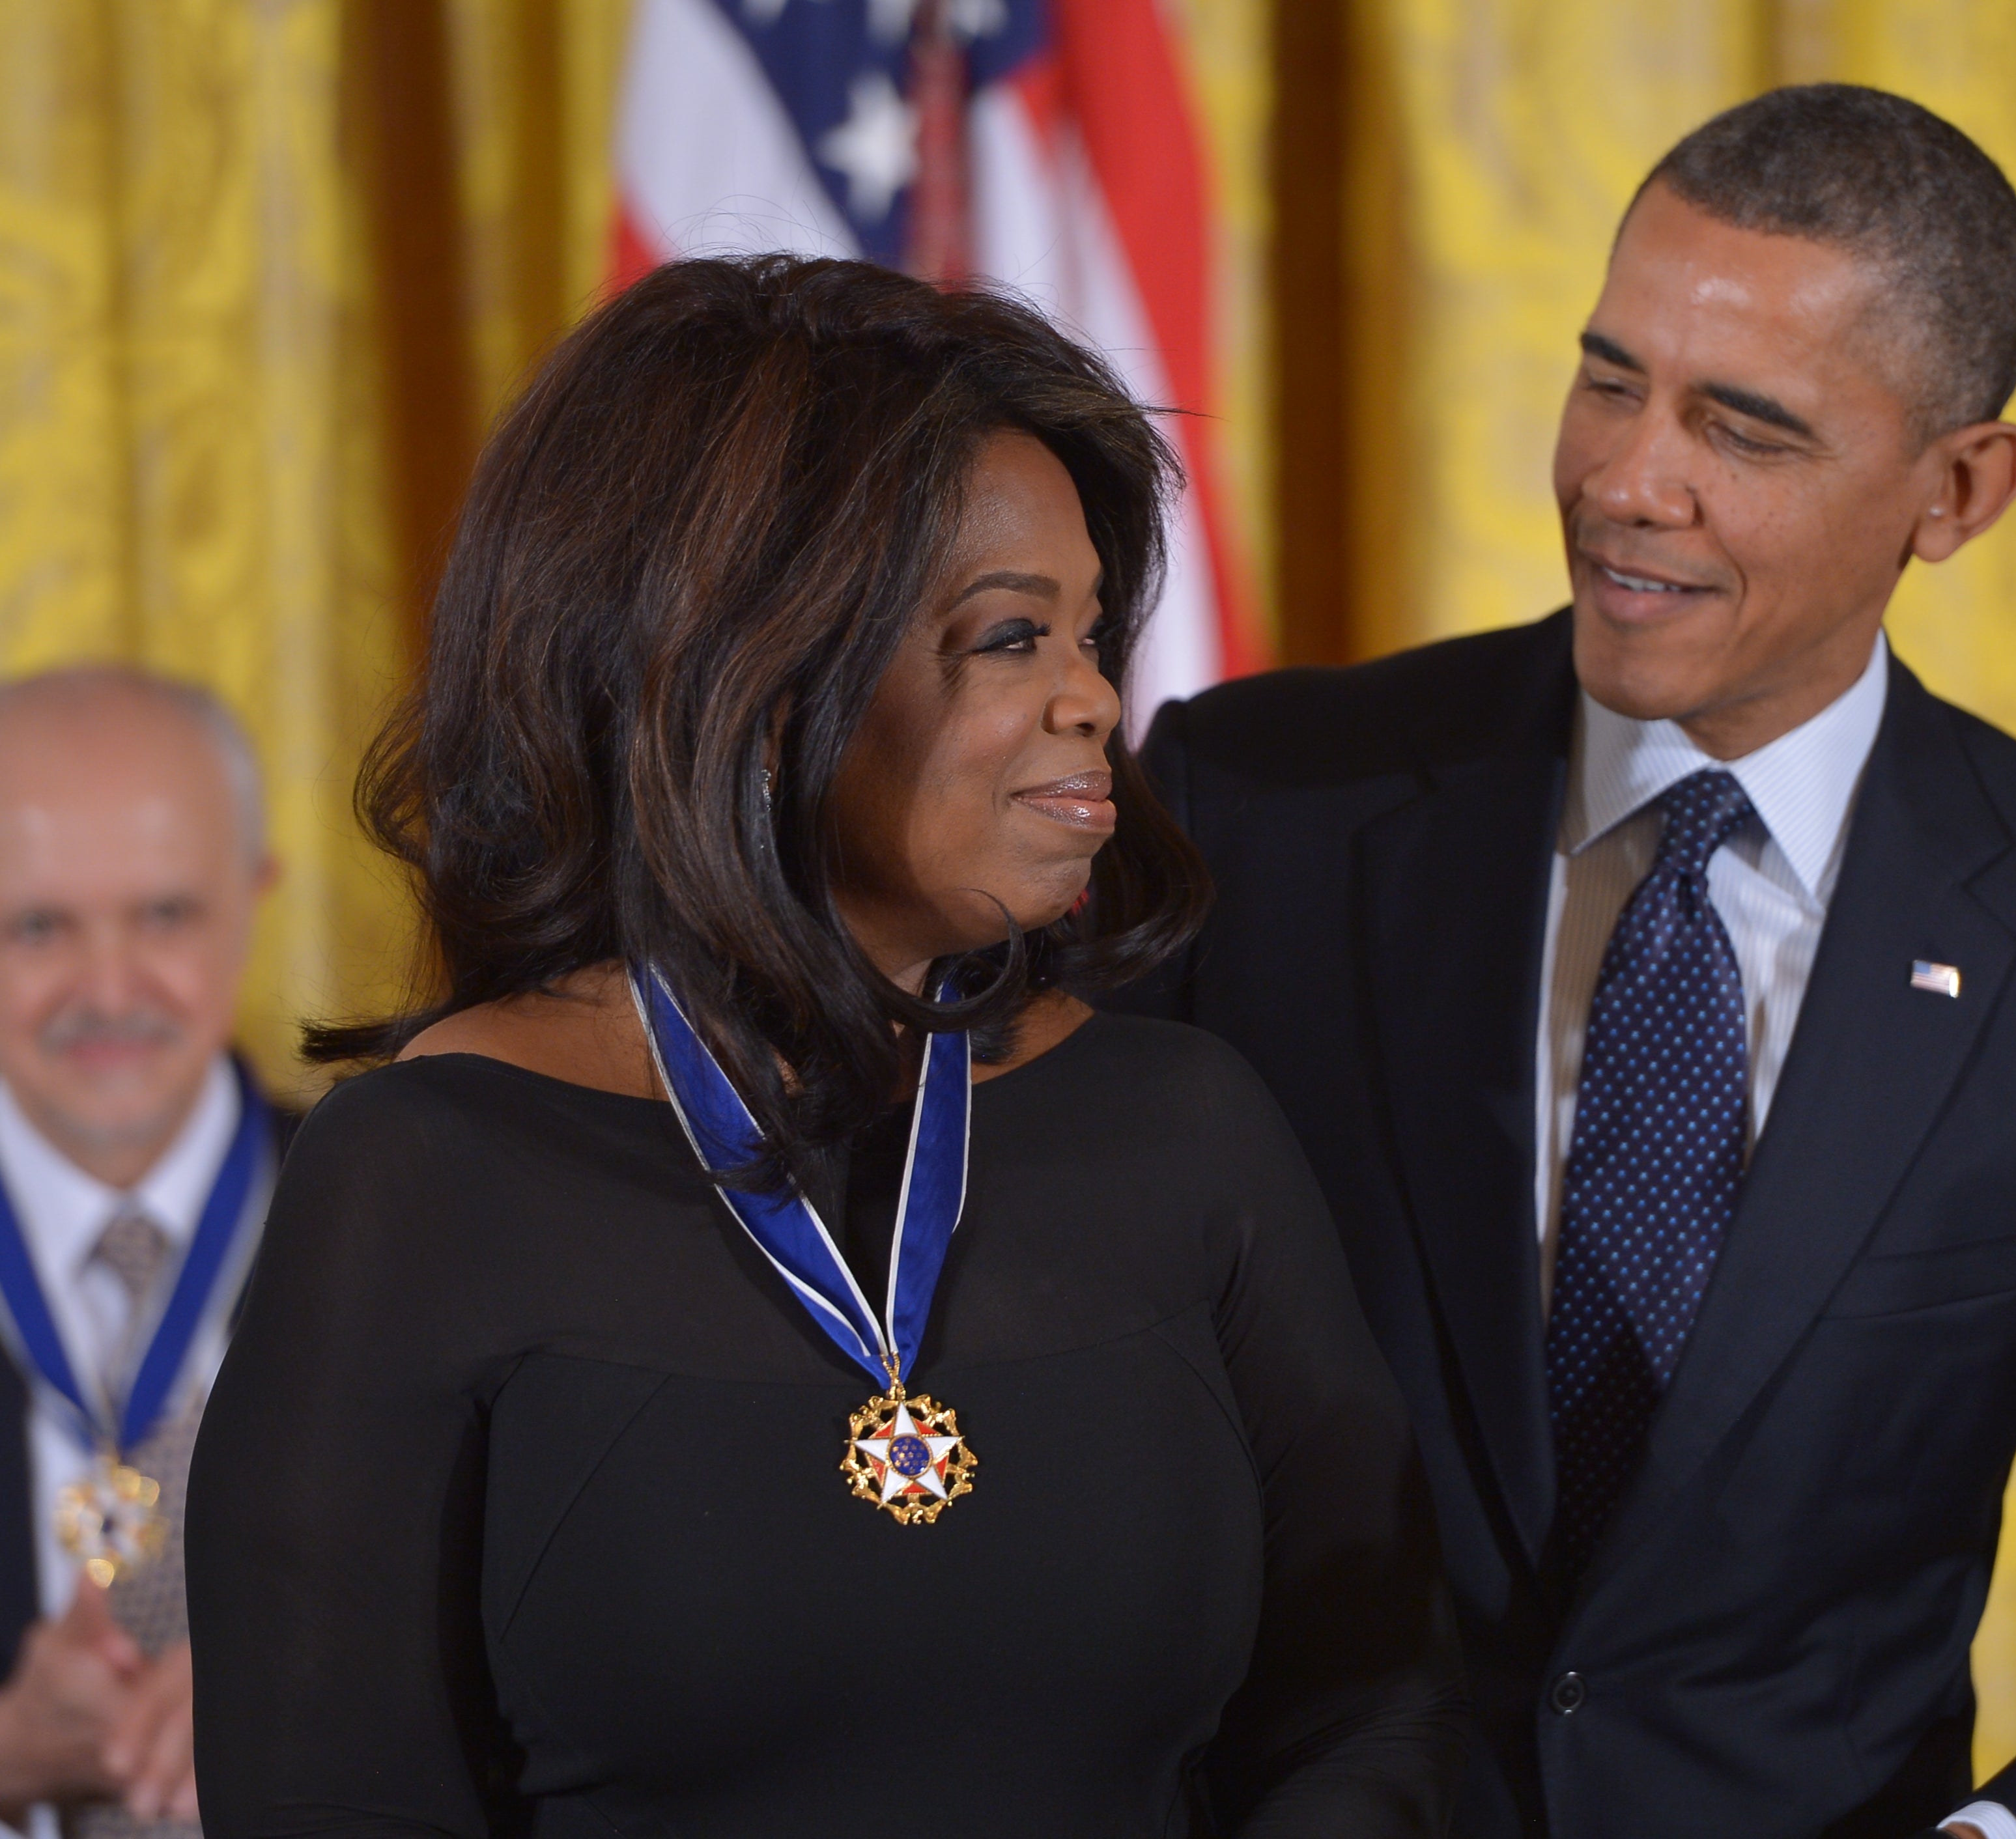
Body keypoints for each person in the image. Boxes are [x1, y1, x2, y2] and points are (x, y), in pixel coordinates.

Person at [1118, 85, 2016, 1839]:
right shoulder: (1254, 804)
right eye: (1608, 377)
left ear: (1954, 490)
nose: (1626, 481)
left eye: (1743, 428)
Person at [184, 256, 1464, 1836]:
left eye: (1088, 630)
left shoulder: (1187, 1128)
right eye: (1011, 638)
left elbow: (1372, 1712)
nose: (1093, 698)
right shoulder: (423, 1177)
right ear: (761, 686)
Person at [0, 671, 284, 1838]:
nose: (108, 990)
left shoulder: (433, 1225)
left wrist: (319, 1715)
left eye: (165, 915)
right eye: (37, 927)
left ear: (255, 899)